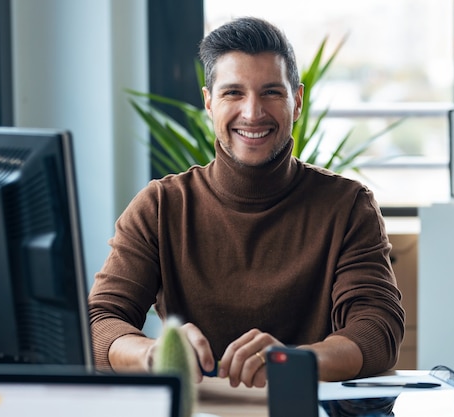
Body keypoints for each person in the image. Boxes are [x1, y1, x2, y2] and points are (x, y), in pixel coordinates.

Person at [88, 16, 404, 389]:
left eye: (271, 92)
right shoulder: (160, 206)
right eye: (233, 93)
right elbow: (100, 321)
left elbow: (377, 329)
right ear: (208, 102)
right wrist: (151, 354)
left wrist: (294, 362)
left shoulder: (348, 206)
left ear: (297, 101)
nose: (252, 113)